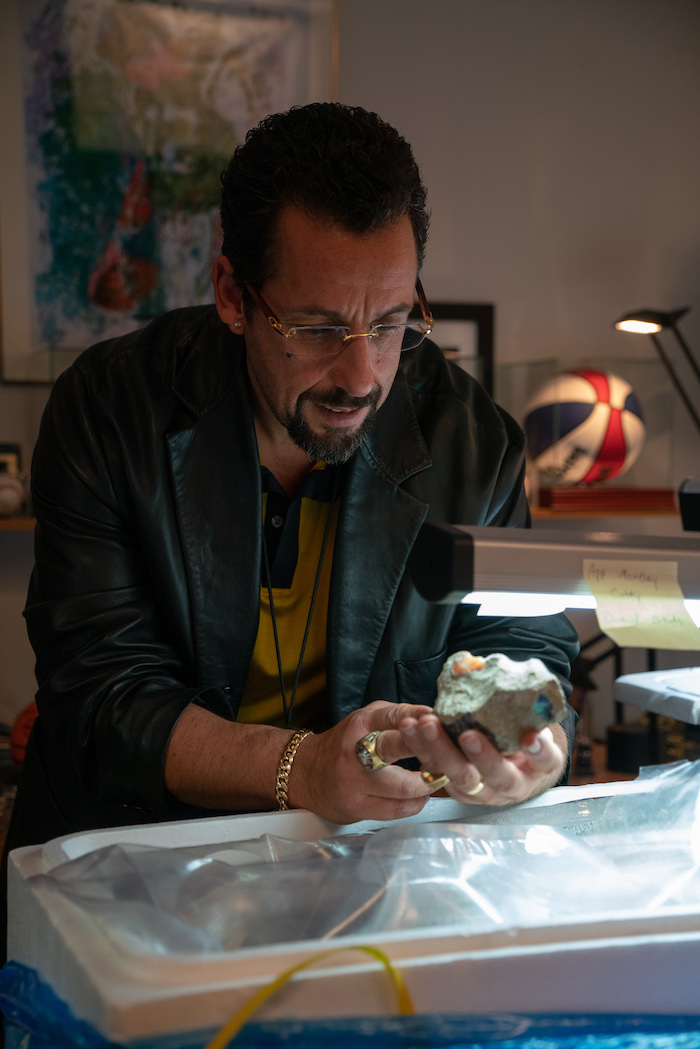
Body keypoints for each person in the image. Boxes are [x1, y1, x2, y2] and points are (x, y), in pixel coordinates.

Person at [6, 102, 579, 857]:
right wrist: (301, 769)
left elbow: (525, 646)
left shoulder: (475, 442)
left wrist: (532, 754)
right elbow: (101, 697)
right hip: (127, 855)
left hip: (358, 864)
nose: (361, 376)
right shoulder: (108, 409)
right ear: (233, 295)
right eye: (316, 328)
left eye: (390, 323)